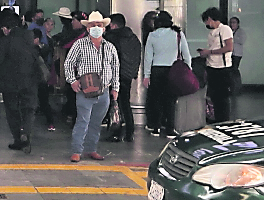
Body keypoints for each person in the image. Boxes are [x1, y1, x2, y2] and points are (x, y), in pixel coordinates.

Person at [64, 12, 121, 162]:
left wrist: (115, 88)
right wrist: (72, 80)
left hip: (104, 90)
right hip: (85, 90)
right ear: (88, 28)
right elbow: (68, 63)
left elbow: (115, 68)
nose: (96, 28)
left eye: (99, 25)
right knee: (82, 120)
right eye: (93, 25)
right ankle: (77, 150)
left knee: (96, 122)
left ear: (104, 28)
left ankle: (91, 149)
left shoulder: (110, 47)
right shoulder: (80, 44)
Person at [0, 10, 45, 153]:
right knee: (28, 109)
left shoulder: (6, 40)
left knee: (12, 111)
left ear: (5, 28)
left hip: (10, 83)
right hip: (30, 81)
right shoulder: (30, 37)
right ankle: (26, 133)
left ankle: (18, 139)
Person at [142, 10, 190, 137]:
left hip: (156, 70)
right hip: (173, 70)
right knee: (170, 100)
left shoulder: (152, 35)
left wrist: (146, 75)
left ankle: (156, 128)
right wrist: (188, 69)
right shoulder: (178, 34)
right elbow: (186, 54)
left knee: (156, 100)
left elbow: (148, 58)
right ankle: (170, 129)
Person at [104, 13, 142, 143]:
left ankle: (117, 132)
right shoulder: (133, 38)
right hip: (128, 75)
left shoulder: (112, 37)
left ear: (113, 25)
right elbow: (137, 57)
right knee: (125, 104)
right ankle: (129, 132)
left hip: (116, 75)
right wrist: (134, 72)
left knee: (115, 104)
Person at [199, 7, 235, 123]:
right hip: (212, 67)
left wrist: (209, 52)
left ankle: (224, 120)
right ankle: (216, 118)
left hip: (222, 68)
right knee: (213, 96)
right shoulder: (211, 33)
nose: (206, 24)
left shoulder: (225, 29)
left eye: (206, 21)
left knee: (223, 97)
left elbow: (229, 47)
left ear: (209, 19)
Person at [228, 16, 246, 84]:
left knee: (234, 69)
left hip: (237, 54)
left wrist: (232, 38)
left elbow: (242, 41)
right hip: (230, 53)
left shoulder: (241, 32)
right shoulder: (229, 31)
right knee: (230, 70)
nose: (232, 24)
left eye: (234, 22)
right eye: (231, 23)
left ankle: (236, 85)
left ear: (237, 24)